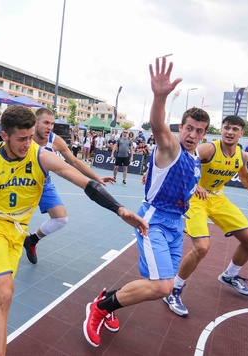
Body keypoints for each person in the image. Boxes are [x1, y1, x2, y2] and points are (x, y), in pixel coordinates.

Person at [0, 105, 148, 356]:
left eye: (30, 137)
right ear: (4, 136)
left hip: (16, 236)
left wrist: (120, 209)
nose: (28, 143)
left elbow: (83, 182)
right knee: (5, 294)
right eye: (21, 139)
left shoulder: (40, 156)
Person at [83, 57, 209, 347]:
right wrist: (159, 97)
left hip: (176, 224)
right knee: (163, 286)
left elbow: (184, 178)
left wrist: (196, 188)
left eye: (199, 130)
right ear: (181, 127)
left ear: (204, 133)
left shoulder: (194, 159)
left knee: (159, 285)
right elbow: (157, 126)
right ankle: (100, 308)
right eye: (189, 128)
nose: (193, 134)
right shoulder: (172, 146)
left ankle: (106, 300)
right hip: (153, 220)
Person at [163, 115, 248, 317]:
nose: (230, 132)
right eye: (226, 128)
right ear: (221, 130)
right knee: (202, 247)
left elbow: (245, 177)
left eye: (235, 129)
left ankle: (229, 276)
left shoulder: (241, 155)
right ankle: (173, 289)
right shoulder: (209, 149)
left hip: (218, 199)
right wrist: (193, 183)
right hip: (195, 198)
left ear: (242, 133)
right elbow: (181, 158)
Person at [22, 108, 115, 264]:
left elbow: (74, 162)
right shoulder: (24, 137)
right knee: (12, 221)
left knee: (61, 219)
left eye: (52, 123)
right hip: (20, 184)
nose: (49, 127)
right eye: (45, 123)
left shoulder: (55, 140)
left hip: (43, 183)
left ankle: (32, 240)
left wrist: (95, 177)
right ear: (35, 123)